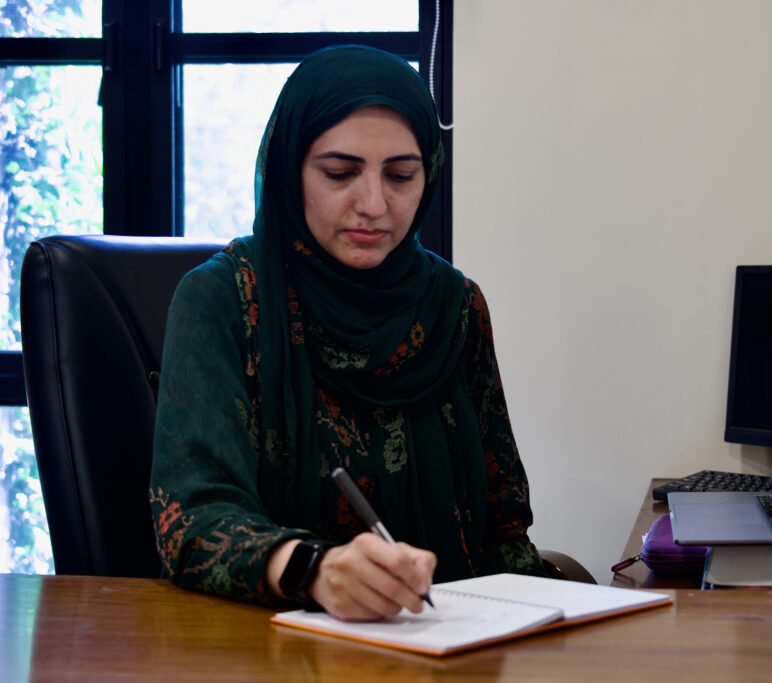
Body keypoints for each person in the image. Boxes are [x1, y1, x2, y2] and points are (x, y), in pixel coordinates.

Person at [149, 45, 548, 621]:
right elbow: (191, 519)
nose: (374, 204)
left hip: (453, 641)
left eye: (401, 175)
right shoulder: (224, 301)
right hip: (271, 647)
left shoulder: (453, 305)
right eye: (339, 173)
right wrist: (316, 569)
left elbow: (503, 520)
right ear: (291, 171)